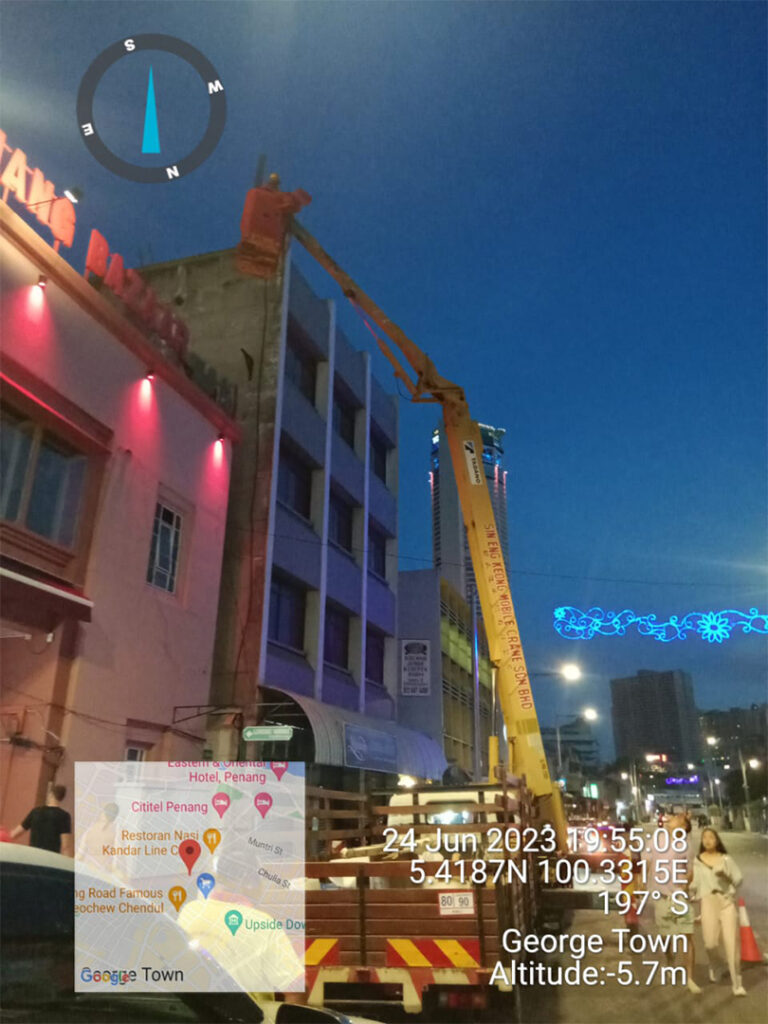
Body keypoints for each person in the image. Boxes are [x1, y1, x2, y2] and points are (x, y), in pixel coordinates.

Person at [643, 811, 699, 993]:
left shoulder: (686, 846)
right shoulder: (656, 840)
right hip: (661, 897)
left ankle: (689, 978)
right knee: (666, 937)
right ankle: (670, 961)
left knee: (686, 936)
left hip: (680, 897)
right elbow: (646, 863)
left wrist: (685, 884)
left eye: (676, 818)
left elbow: (690, 870)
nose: (670, 819)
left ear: (683, 826)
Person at [693, 827, 746, 997]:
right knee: (710, 943)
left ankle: (737, 983)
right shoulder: (697, 860)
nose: (708, 840)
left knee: (731, 944)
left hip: (726, 901)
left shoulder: (726, 859)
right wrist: (686, 891)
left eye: (711, 837)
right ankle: (716, 965)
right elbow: (695, 883)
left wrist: (725, 876)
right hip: (708, 902)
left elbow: (738, 879)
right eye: (705, 837)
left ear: (717, 841)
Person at [10, 783, 72, 855]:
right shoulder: (64, 816)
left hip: (33, 855)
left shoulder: (35, 812)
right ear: (62, 798)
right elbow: (66, 846)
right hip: (50, 857)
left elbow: (14, 834)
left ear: (50, 794)